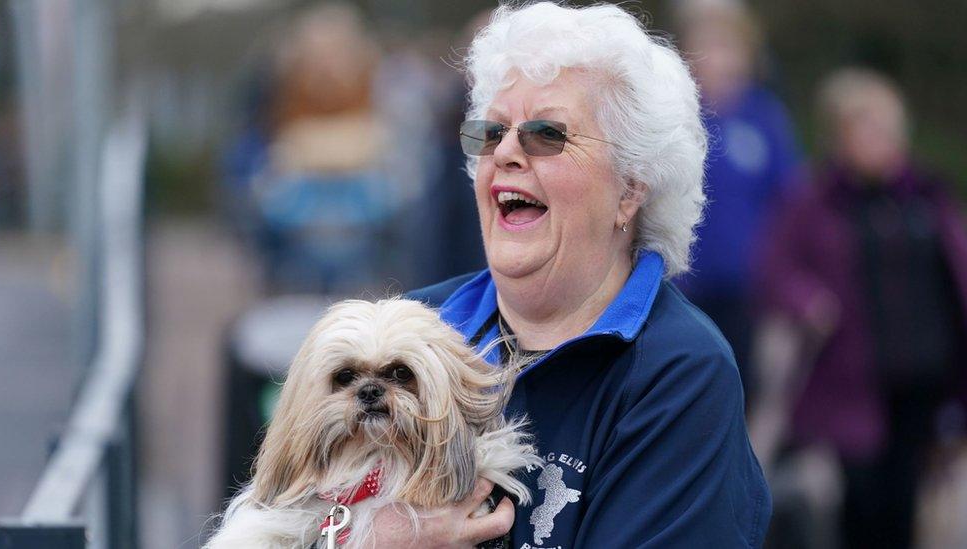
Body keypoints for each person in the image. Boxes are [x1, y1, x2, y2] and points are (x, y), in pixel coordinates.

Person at [380, 3, 771, 547]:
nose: (508, 152)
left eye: (547, 134)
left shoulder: (678, 373)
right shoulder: (404, 333)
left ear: (631, 189)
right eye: (492, 133)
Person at [752, 68, 967, 548]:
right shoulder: (813, 199)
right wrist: (808, 301)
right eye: (864, 129)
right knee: (859, 494)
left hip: (924, 374)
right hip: (852, 378)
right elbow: (773, 270)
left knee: (909, 493)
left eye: (886, 129)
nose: (878, 141)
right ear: (839, 136)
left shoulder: (927, 195)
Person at [673, 0, 801, 395]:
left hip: (749, 289)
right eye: (705, 46)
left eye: (726, 46)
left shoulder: (765, 117)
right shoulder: (673, 114)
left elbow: (792, 203)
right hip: (681, 283)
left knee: (744, 387)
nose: (716, 58)